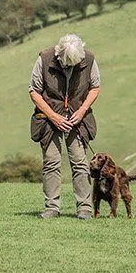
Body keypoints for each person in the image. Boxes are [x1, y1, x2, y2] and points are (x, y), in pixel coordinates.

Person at [29, 33, 100, 220]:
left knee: (80, 163)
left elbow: (95, 87)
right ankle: (51, 208)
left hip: (77, 119)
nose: (70, 66)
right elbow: (34, 91)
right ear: (59, 53)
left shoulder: (89, 59)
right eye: (66, 63)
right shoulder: (44, 59)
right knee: (51, 163)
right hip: (48, 119)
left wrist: (82, 110)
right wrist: (54, 117)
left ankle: (84, 209)